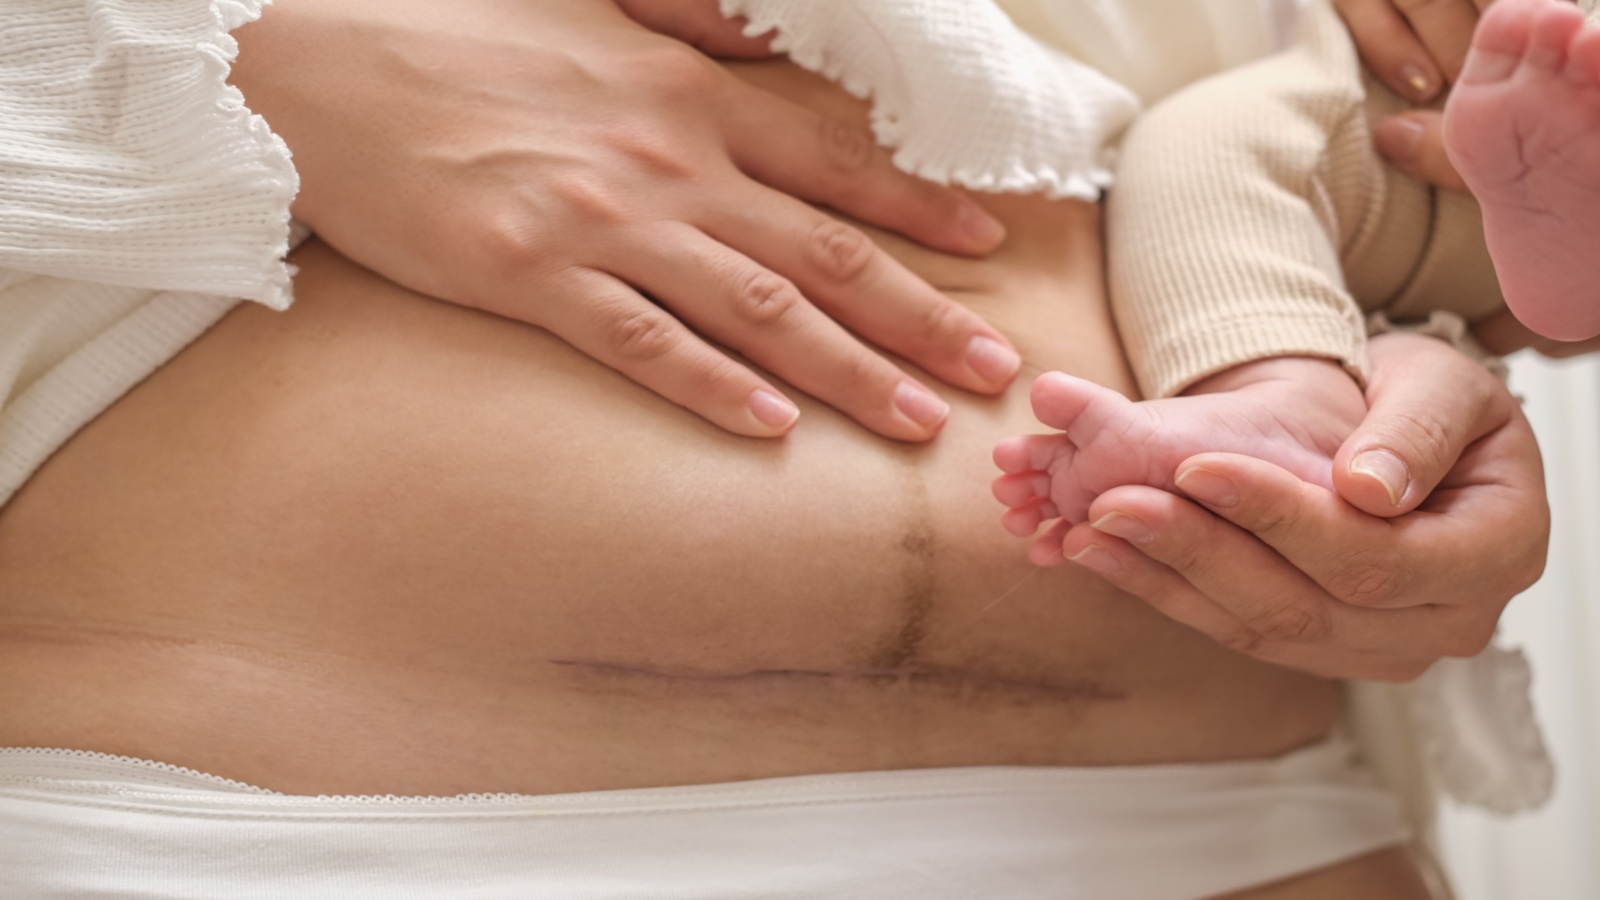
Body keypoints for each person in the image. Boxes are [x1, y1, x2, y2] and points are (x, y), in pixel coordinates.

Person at [0, 0, 1548, 895]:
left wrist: (1384, 375)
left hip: (1236, 831)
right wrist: (262, 49)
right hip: (285, 845)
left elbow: (1401, 168)